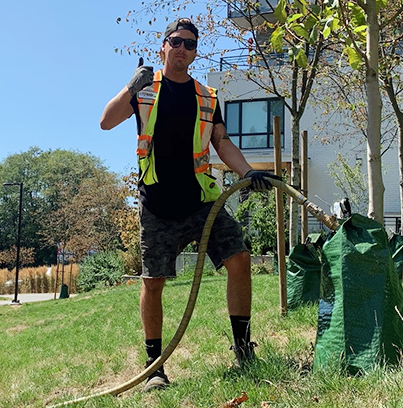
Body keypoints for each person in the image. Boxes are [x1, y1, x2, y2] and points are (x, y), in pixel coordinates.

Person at [99, 18, 279, 392]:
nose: (182, 49)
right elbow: (106, 121)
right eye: (176, 42)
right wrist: (132, 85)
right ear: (163, 47)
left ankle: (244, 349)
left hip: (202, 202)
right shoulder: (145, 90)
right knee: (153, 282)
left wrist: (248, 172)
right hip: (158, 205)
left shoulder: (207, 96)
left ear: (195, 53)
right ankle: (154, 367)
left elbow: (221, 141)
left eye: (190, 44)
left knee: (240, 259)